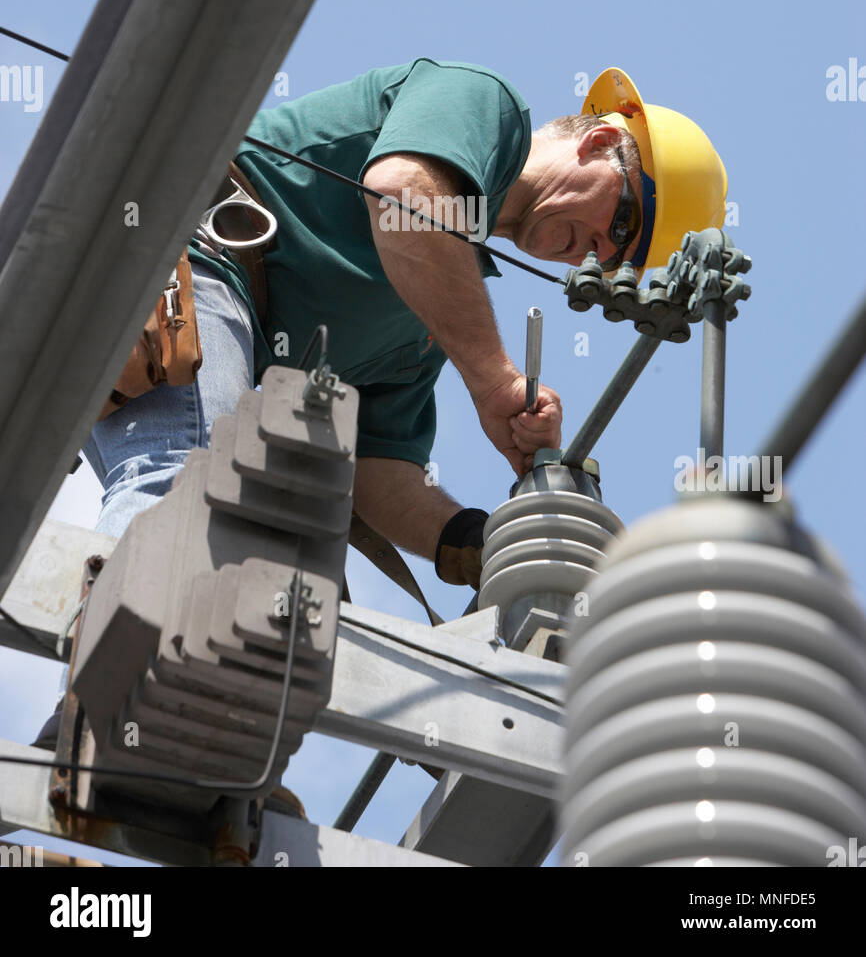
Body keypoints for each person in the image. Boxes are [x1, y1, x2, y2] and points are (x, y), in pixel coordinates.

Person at [33, 57, 726, 747]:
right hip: (186, 254)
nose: (598, 255)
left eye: (618, 262)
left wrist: (485, 543)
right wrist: (492, 381)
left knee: (252, 565)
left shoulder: (426, 315)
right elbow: (401, 192)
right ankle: (104, 714)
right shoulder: (488, 105)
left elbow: (375, 468)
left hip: (197, 328)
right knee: (186, 490)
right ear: (602, 144)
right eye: (624, 217)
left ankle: (138, 738)